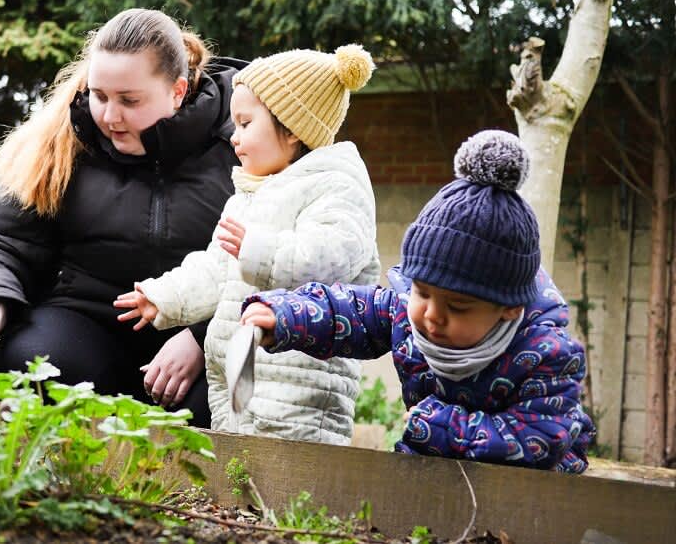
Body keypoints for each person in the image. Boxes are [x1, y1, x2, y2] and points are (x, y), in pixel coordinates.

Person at [0, 9, 245, 427]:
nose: (109, 116)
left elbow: (275, 260)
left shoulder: (242, 137)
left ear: (177, 90)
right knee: (29, 365)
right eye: (99, 95)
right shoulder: (61, 141)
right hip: (85, 321)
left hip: (199, 330)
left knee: (222, 403)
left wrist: (204, 338)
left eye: (130, 100)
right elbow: (4, 244)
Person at [240, 130, 596, 473]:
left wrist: (442, 428)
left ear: (509, 309)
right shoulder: (407, 311)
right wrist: (284, 315)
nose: (431, 314)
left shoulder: (547, 355)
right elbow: (347, 312)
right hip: (435, 461)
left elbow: (539, 439)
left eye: (456, 307)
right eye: (422, 292)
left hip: (529, 491)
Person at [113, 45, 379, 444]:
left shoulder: (337, 187)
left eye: (245, 123)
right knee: (240, 473)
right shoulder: (251, 195)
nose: (234, 137)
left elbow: (329, 257)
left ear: (291, 129)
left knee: (293, 476)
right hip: (240, 373)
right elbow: (217, 267)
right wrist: (165, 296)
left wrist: (259, 249)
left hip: (298, 379)